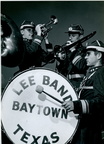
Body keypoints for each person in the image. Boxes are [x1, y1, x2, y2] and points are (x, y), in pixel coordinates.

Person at [62, 40, 104, 144]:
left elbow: (101, 101)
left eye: (88, 54)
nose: (85, 57)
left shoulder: (101, 73)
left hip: (91, 126)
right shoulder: (91, 73)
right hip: (85, 123)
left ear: (98, 55)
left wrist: (76, 105)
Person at [55, 24, 88, 89]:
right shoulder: (67, 51)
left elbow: (80, 66)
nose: (70, 38)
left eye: (73, 35)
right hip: (65, 82)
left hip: (77, 83)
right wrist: (59, 60)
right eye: (69, 35)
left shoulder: (84, 50)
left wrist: (73, 50)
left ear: (81, 37)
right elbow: (60, 70)